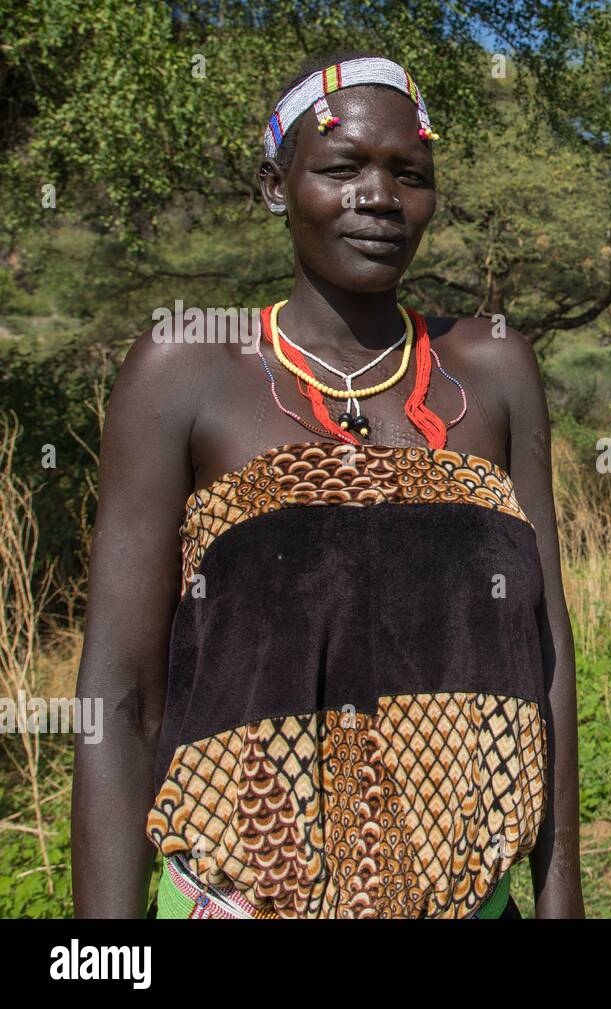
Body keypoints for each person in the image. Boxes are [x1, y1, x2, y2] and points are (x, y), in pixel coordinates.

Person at [71, 52, 583, 918]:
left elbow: (548, 655)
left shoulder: (493, 368)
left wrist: (560, 891)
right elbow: (120, 692)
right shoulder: (186, 371)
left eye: (408, 174)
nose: (379, 198)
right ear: (277, 186)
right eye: (343, 168)